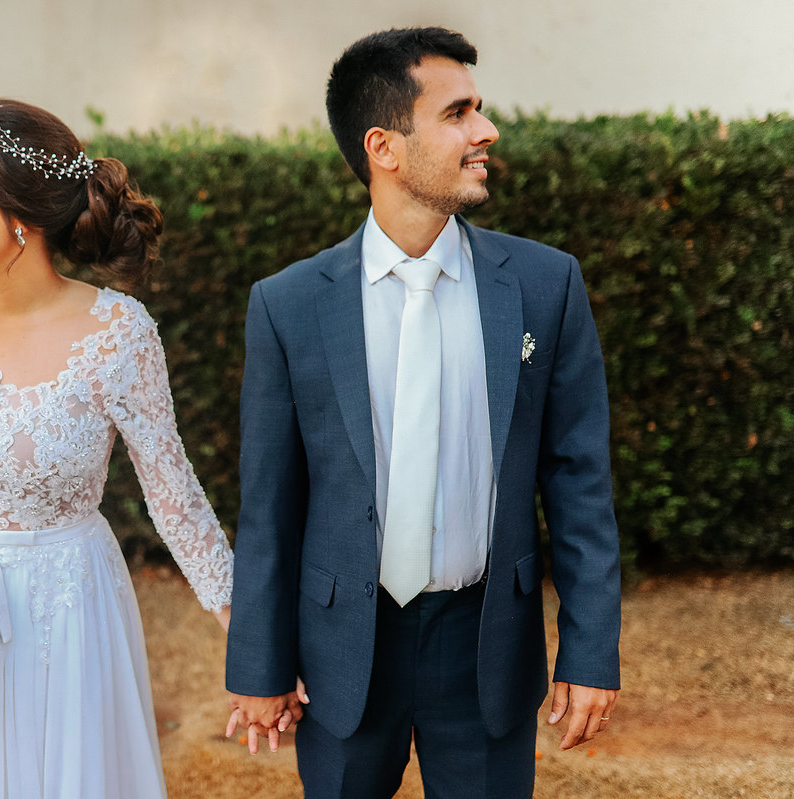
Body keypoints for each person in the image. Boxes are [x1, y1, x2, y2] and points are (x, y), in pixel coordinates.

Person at [225, 27, 621, 798]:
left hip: (487, 648)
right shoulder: (289, 304)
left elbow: (580, 487)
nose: (486, 130)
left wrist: (589, 651)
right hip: (342, 653)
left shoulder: (545, 284)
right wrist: (259, 667)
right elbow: (269, 505)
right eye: (458, 113)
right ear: (385, 146)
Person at [0, 98, 233, 799]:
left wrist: (248, 633)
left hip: (63, 614)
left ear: (17, 213)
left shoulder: (119, 333)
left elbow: (173, 497)